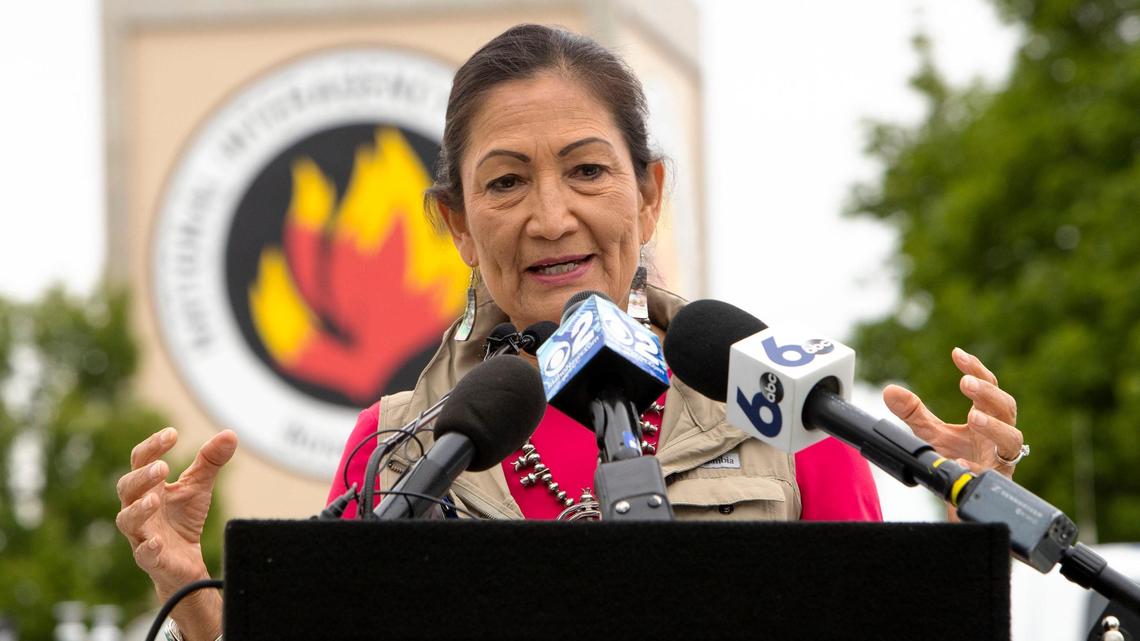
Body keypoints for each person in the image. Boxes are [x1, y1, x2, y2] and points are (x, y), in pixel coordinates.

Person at [115, 24, 1026, 640]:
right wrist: (188, 587)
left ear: (650, 194)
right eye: (505, 183)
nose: (551, 217)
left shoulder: (785, 414)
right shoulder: (396, 446)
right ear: (459, 226)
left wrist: (969, 525)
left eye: (587, 170)